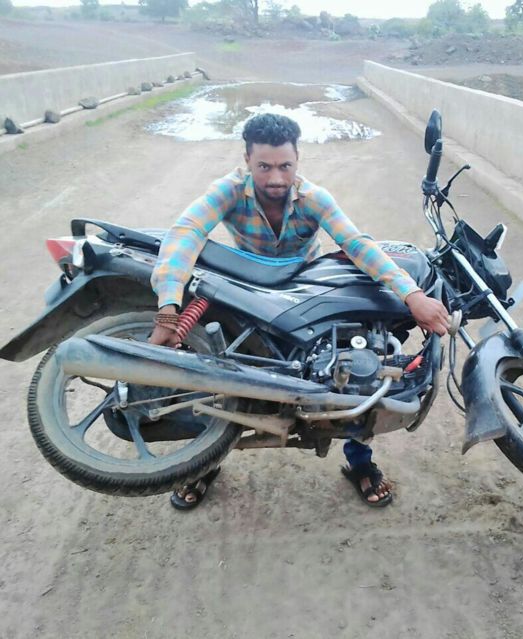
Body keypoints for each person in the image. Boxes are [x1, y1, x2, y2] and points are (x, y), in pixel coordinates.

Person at [149, 113, 449, 510]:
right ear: (247, 160)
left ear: (297, 160)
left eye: (285, 166)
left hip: (304, 294)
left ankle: (360, 461)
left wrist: (412, 296)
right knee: (227, 376)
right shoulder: (228, 190)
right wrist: (169, 309)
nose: (276, 178)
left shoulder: (313, 198)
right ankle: (204, 463)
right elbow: (186, 232)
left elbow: (356, 244)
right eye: (264, 167)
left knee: (356, 364)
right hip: (249, 294)